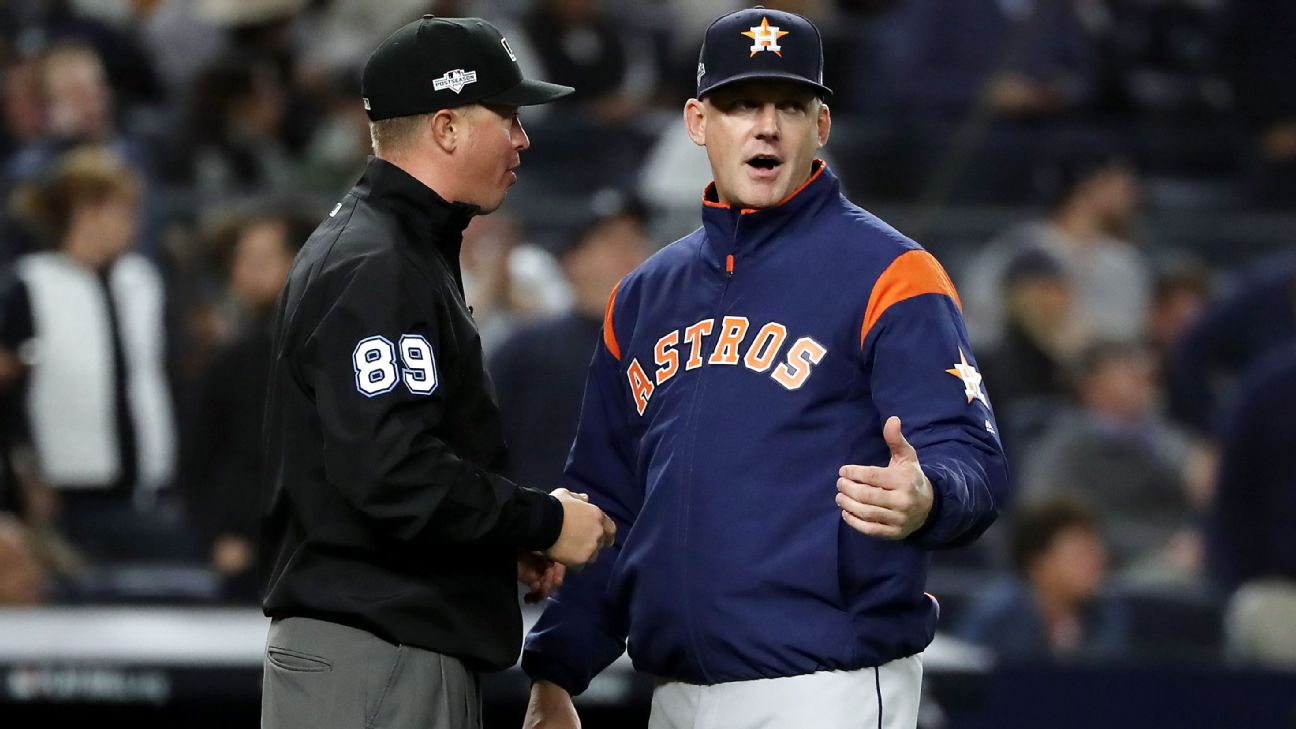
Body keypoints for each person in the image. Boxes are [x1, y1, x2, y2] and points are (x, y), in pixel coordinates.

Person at [521, 8, 1010, 729]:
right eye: (742, 103)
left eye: (789, 106)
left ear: (823, 126)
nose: (767, 126)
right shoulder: (644, 297)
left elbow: (974, 459)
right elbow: (607, 499)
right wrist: (556, 671)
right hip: (674, 692)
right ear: (697, 121)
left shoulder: (893, 272)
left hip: (826, 687)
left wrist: (929, 494)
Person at [259, 16, 616, 729]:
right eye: (508, 116)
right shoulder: (377, 263)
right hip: (378, 658)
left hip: (382, 649)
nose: (523, 140)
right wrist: (541, 518)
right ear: (446, 127)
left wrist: (498, 539)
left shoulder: (394, 247)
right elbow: (392, 471)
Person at [955, 496, 1129, 662]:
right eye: (1079, 554)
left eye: (1095, 550)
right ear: (1037, 562)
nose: (1095, 562)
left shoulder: (1107, 615)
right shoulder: (997, 618)